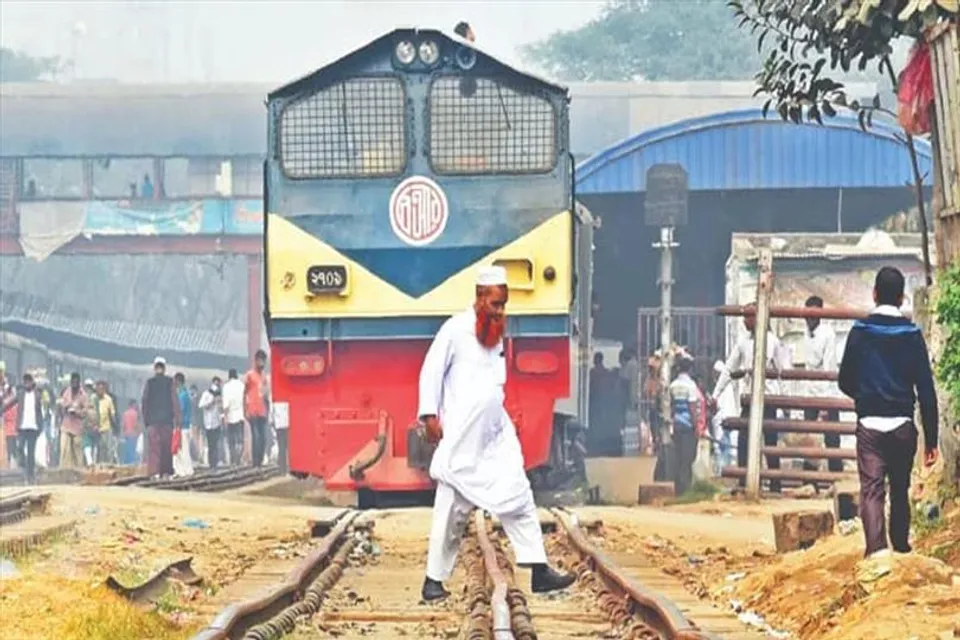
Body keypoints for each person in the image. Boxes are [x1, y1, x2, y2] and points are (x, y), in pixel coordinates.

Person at [417, 265, 575, 602]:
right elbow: (430, 372)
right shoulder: (454, 331)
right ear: (479, 299)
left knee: (518, 493)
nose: (501, 311)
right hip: (462, 438)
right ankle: (433, 580)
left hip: (494, 435)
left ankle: (538, 568)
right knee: (452, 511)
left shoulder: (494, 334)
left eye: (504, 304)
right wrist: (429, 415)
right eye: (495, 304)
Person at [838, 266, 939, 558]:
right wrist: (931, 441)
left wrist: (865, 398)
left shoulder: (860, 332)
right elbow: (927, 390)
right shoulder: (912, 334)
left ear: (874, 294)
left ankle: (876, 553)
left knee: (871, 491)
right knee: (899, 487)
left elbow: (845, 379)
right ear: (901, 298)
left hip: (870, 426)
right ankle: (902, 546)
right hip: (903, 427)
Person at [710, 302, 792, 493]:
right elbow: (729, 369)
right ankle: (743, 482)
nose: (745, 320)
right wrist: (715, 394)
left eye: (749, 316)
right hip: (748, 398)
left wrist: (786, 402)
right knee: (744, 440)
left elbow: (783, 372)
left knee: (770, 441)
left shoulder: (773, 341)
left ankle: (775, 484)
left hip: (768, 399)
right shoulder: (742, 342)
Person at [801, 295, 843, 473]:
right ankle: (809, 479)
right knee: (809, 437)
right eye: (807, 314)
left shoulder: (828, 334)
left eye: (813, 314)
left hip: (827, 392)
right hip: (811, 391)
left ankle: (836, 479)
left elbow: (829, 366)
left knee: (832, 438)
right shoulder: (806, 333)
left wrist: (826, 403)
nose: (809, 318)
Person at [667, 357, 702, 496]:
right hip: (688, 427)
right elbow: (692, 408)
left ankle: (678, 488)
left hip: (677, 425)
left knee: (679, 458)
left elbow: (671, 406)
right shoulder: (691, 386)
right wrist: (696, 426)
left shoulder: (673, 385)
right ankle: (685, 489)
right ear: (690, 369)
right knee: (688, 459)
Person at [1, 373, 43, 483]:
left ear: (32, 382)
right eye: (25, 382)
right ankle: (25, 470)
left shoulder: (37, 395)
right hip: (22, 427)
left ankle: (30, 476)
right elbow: (9, 404)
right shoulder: (20, 394)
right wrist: (1, 410)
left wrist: (40, 427)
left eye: (29, 381)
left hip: (33, 427)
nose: (27, 384)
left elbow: (40, 412)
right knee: (19, 448)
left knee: (31, 452)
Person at [142, 357, 179, 478]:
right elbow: (174, 401)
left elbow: (145, 402)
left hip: (153, 421)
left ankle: (154, 472)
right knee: (166, 448)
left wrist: (146, 420)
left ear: (154, 368)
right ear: (164, 368)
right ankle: (166, 472)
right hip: (167, 421)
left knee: (154, 448)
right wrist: (177, 420)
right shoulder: (170, 382)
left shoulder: (150, 383)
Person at [244, 350, 270, 468]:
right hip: (253, 410)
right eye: (260, 360)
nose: (262, 363)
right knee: (256, 436)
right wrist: (245, 409)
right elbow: (244, 393)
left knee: (263, 438)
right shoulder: (249, 375)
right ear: (255, 361)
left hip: (263, 411)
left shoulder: (264, 376)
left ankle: (259, 461)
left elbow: (265, 394)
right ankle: (255, 462)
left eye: (263, 360)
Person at [57, 373, 88, 469]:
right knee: (64, 449)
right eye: (72, 382)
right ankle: (64, 471)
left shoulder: (83, 395)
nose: (74, 384)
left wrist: (77, 412)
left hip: (77, 427)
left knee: (77, 451)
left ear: (79, 383)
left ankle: (79, 471)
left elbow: (85, 412)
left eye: (76, 382)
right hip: (66, 425)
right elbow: (62, 405)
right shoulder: (67, 392)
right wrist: (65, 408)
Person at [198, 376, 224, 469]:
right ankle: (211, 463)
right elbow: (200, 405)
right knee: (211, 444)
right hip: (208, 423)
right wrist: (210, 403)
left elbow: (221, 409)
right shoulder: (206, 394)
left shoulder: (220, 396)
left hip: (217, 423)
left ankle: (215, 463)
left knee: (216, 444)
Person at [173, 372, 195, 477]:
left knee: (181, 450)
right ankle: (186, 471)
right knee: (182, 450)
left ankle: (183, 471)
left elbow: (179, 411)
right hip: (185, 426)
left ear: (178, 381)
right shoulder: (184, 393)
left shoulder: (181, 395)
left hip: (181, 427)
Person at [222, 368, 245, 466]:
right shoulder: (242, 385)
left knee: (231, 440)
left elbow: (225, 405)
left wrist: (225, 417)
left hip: (231, 417)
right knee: (240, 439)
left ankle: (233, 459)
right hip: (241, 415)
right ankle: (238, 458)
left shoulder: (226, 387)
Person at [94, 380, 117, 465]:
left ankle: (109, 465)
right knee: (99, 450)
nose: (100, 390)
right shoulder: (93, 398)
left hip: (106, 428)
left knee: (108, 449)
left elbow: (112, 414)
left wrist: (115, 427)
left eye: (102, 388)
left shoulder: (108, 399)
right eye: (98, 388)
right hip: (95, 429)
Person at [120, 400, 141, 465]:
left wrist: (122, 434)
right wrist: (138, 433)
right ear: (133, 405)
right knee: (132, 450)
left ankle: (126, 464)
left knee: (127, 450)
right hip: (133, 434)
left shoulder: (125, 413)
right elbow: (136, 425)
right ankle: (131, 464)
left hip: (126, 434)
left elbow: (123, 425)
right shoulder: (136, 414)